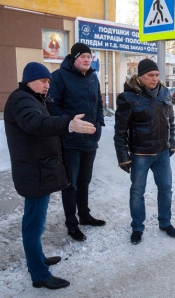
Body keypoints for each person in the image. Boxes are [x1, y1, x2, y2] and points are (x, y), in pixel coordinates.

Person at [4, 62, 96, 289]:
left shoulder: (33, 99)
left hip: (38, 170)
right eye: (44, 81)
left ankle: (38, 259)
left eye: (49, 82)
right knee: (33, 224)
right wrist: (68, 124)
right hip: (33, 172)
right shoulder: (22, 100)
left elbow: (42, 123)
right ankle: (39, 275)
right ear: (30, 81)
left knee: (37, 222)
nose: (48, 86)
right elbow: (36, 123)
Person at [114, 58, 175, 245]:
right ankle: (137, 227)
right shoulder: (128, 97)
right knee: (137, 192)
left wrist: (171, 143)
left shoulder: (165, 93)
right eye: (150, 75)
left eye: (157, 75)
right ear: (140, 77)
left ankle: (165, 222)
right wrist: (123, 157)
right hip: (140, 154)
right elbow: (120, 131)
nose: (155, 78)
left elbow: (171, 121)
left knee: (166, 189)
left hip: (162, 153)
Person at [49, 42, 105, 242]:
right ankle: (71, 224)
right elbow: (52, 108)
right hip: (70, 141)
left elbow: (98, 103)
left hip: (90, 139)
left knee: (84, 182)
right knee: (70, 184)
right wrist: (70, 123)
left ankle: (84, 215)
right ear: (73, 58)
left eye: (89, 57)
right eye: (83, 57)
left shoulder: (93, 78)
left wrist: (99, 124)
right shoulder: (59, 77)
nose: (87, 60)